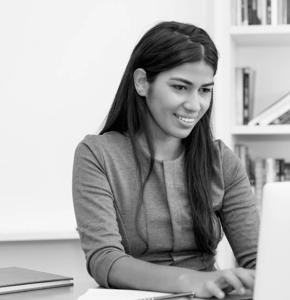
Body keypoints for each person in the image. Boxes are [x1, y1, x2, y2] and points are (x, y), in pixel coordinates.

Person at [72, 21, 259, 299]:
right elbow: (104, 260)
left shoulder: (221, 160)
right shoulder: (97, 154)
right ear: (142, 82)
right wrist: (193, 280)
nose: (195, 105)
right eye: (180, 87)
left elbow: (258, 259)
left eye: (205, 90)